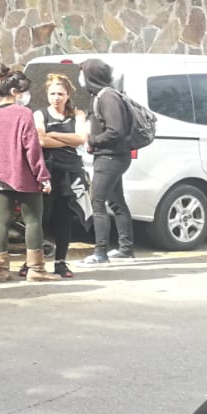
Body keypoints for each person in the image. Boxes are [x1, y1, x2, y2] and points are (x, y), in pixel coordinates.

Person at [0, 69, 58, 283]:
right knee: (33, 221)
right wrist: (42, 176)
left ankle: (2, 271)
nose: (26, 95)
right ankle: (36, 269)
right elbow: (31, 148)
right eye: (24, 91)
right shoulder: (23, 113)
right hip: (23, 175)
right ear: (14, 91)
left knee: (0, 223)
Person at [79, 57, 137, 266]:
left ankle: (100, 252)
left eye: (83, 72)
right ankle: (125, 249)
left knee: (98, 202)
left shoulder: (108, 97)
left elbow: (115, 130)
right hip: (112, 156)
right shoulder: (104, 95)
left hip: (110, 157)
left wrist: (93, 140)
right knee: (116, 202)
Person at [34, 73, 87, 279]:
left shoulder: (78, 115)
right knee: (42, 218)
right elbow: (40, 141)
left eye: (60, 94)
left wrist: (52, 134)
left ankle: (61, 262)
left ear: (68, 95)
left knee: (65, 218)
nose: (56, 97)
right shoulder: (40, 114)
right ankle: (33, 262)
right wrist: (69, 140)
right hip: (48, 171)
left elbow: (81, 138)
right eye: (52, 93)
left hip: (70, 172)